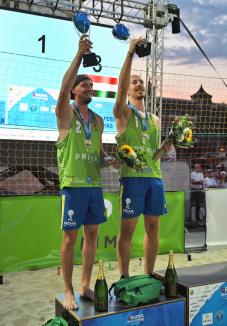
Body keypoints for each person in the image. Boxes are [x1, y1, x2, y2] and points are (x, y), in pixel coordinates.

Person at [56, 35, 113, 310]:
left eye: (91, 84)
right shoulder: (65, 113)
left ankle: (84, 285)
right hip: (72, 184)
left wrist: (113, 160)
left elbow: (99, 157)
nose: (90, 87)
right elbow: (63, 85)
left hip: (93, 186)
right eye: (84, 84)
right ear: (74, 91)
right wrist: (79, 54)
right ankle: (67, 290)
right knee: (70, 237)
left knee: (92, 235)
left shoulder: (99, 121)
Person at [114, 38, 170, 277]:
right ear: (128, 89)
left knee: (153, 228)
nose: (138, 85)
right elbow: (120, 87)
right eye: (133, 83)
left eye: (140, 82)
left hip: (154, 178)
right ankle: (125, 277)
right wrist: (130, 54)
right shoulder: (124, 113)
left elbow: (153, 156)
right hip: (132, 179)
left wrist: (164, 149)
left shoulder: (155, 120)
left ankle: (148, 274)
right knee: (127, 230)